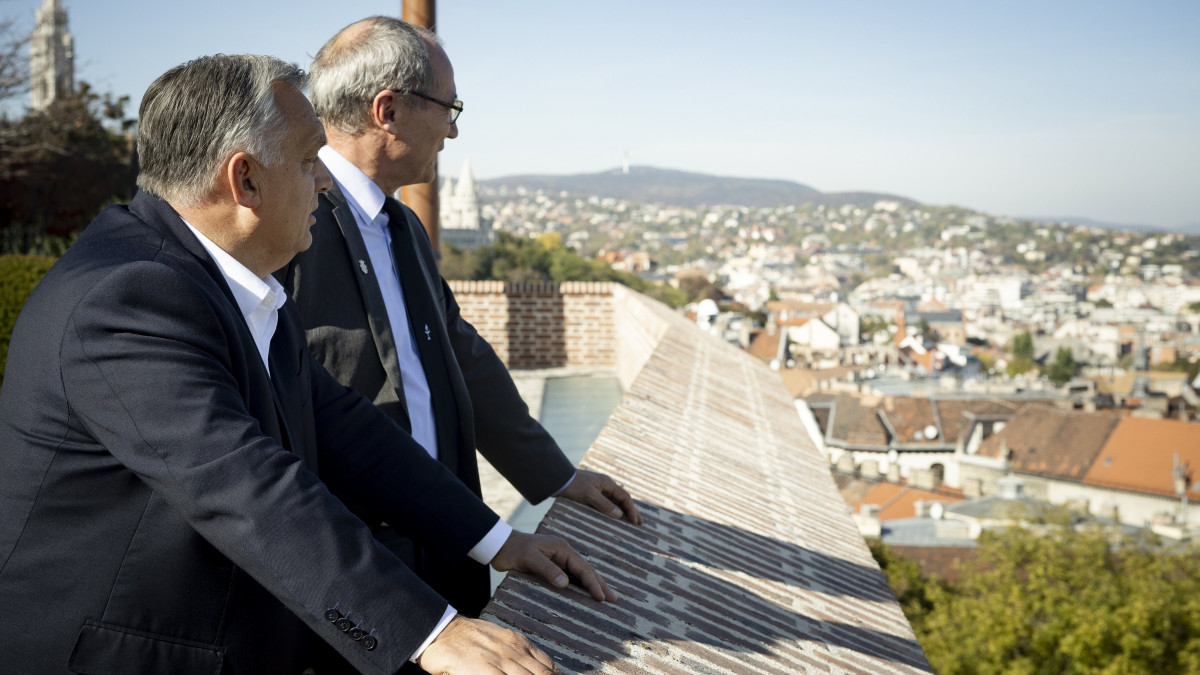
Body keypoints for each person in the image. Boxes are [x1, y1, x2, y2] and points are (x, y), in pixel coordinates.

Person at [0, 53, 614, 674]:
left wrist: (496, 541)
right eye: (306, 161)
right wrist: (431, 633)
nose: (324, 181)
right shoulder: (131, 299)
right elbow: (245, 486)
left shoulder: (225, 282)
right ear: (244, 181)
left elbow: (347, 428)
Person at [278, 15, 643, 618]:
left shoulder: (401, 227)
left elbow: (458, 355)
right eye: (448, 108)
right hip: (357, 564)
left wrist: (553, 476)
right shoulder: (294, 225)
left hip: (443, 540)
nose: (452, 129)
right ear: (387, 111)